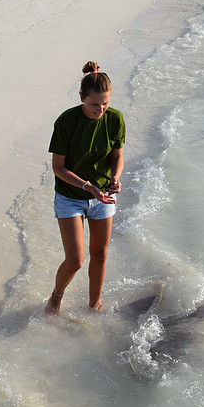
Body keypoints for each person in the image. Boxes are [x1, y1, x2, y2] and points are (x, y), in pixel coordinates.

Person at [46, 61, 125, 315]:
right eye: (94, 104)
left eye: (105, 103)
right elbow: (58, 168)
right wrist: (87, 186)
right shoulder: (67, 122)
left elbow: (117, 156)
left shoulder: (115, 119)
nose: (100, 110)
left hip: (102, 197)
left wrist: (115, 177)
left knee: (100, 255)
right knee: (76, 260)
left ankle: (94, 305)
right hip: (70, 196)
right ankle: (56, 297)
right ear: (82, 97)